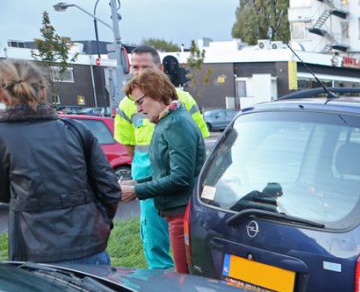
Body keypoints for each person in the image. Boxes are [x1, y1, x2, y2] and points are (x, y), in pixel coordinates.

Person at [0, 59, 120, 264]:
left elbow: (3, 193)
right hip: (89, 245)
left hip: (36, 251)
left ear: (3, 95)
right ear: (43, 91)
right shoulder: (76, 130)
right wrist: (101, 222)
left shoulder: (4, 136)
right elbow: (110, 190)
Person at [114, 45, 208, 269]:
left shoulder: (176, 124)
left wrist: (136, 190)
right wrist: (136, 183)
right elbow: (165, 171)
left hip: (180, 214)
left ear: (156, 94)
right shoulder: (168, 120)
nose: (138, 109)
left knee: (185, 277)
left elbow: (180, 178)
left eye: (140, 102)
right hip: (175, 211)